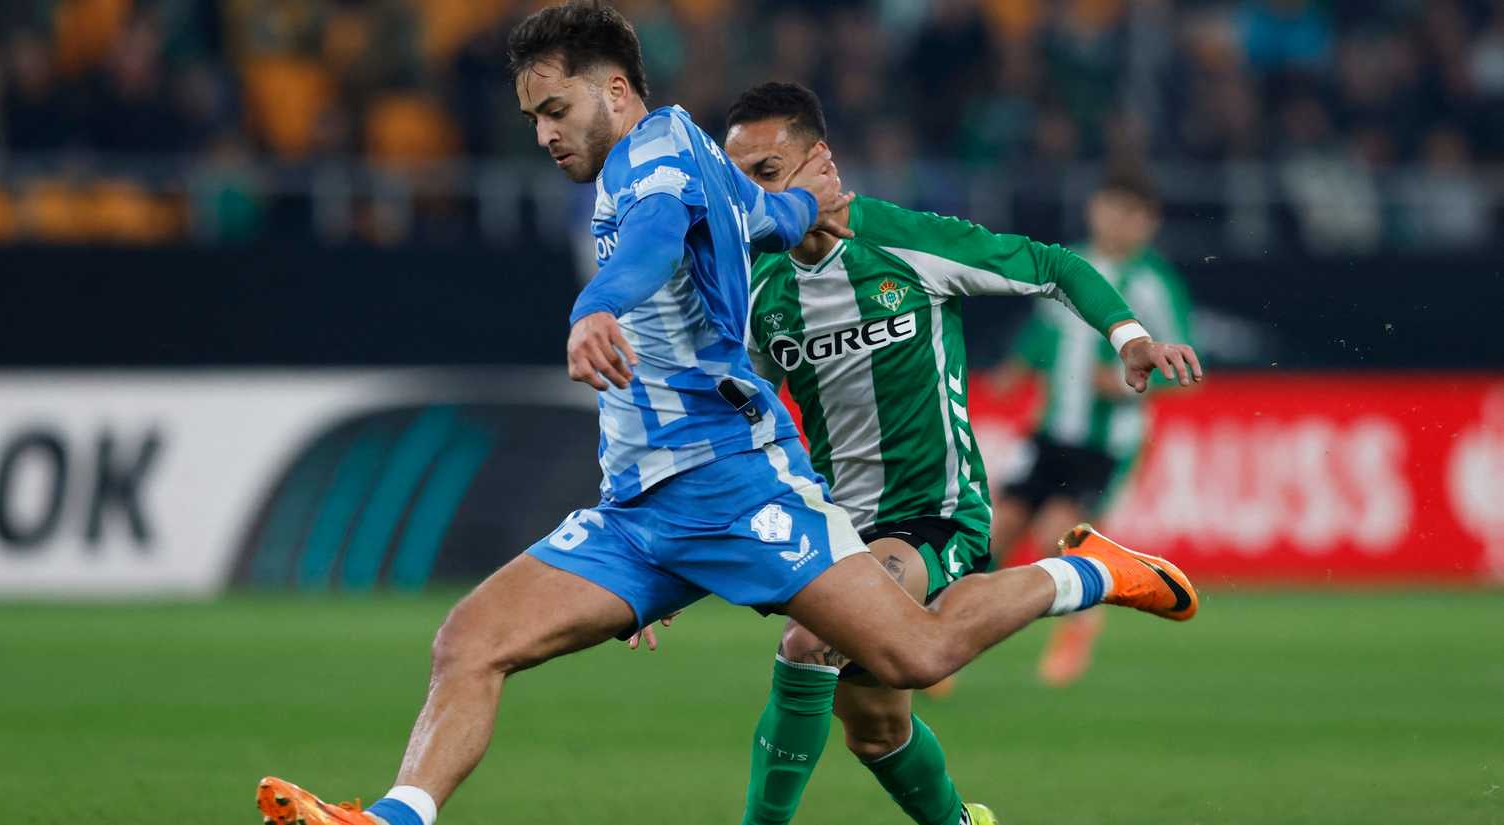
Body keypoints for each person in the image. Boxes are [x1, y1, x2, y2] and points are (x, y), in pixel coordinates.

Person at [254, 6, 1203, 825]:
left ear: (617, 91)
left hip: (746, 489)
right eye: (533, 116)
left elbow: (658, 240)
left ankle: (1086, 571)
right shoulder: (697, 181)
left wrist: (594, 306)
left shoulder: (657, 164)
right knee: (470, 639)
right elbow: (759, 225)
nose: (543, 134)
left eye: (556, 108)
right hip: (642, 513)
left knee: (912, 655)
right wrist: (793, 212)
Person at [990, 168, 1194, 687]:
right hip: (1049, 431)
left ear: (1150, 223)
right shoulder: (1070, 265)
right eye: (1109, 207)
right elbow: (1043, 332)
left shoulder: (1153, 283)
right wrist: (1018, 366)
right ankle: (952, 633)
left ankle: (1078, 629)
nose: (1116, 221)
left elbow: (1187, 368)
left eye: (1131, 213)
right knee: (996, 529)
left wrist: (1126, 386)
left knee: (1055, 533)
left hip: (1106, 443)